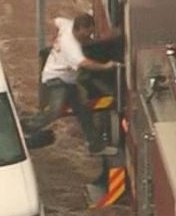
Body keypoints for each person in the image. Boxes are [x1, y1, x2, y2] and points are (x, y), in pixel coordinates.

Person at [23, 13, 119, 157]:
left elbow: (55, 20)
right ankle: (26, 127)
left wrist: (55, 41)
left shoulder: (67, 24)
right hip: (55, 78)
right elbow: (85, 63)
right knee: (56, 109)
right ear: (79, 29)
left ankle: (96, 146)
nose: (89, 37)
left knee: (84, 111)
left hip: (69, 80)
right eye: (88, 33)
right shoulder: (72, 48)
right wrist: (106, 66)